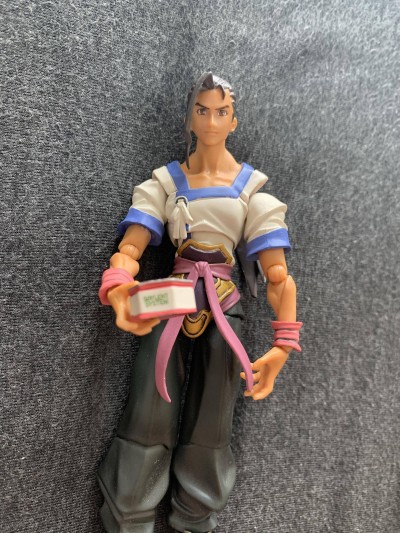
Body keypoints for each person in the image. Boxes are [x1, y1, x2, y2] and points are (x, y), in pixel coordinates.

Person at [97, 72, 302, 533]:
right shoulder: (166, 183)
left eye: (221, 112)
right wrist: (118, 287)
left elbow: (278, 277)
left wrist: (283, 345)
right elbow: (130, 250)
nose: (211, 121)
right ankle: (129, 514)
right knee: (148, 410)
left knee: (213, 420)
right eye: (202, 110)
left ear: (234, 120)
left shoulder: (252, 192)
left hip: (225, 303)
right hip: (169, 298)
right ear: (190, 117)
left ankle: (195, 518)